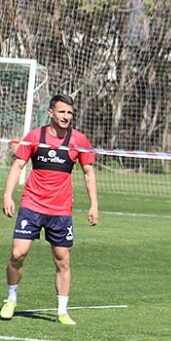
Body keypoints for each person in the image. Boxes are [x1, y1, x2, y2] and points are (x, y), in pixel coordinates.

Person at [0, 94, 99, 326]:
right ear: (51, 113)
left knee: (62, 260)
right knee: (17, 254)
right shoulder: (35, 136)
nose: (66, 117)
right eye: (62, 112)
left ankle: (62, 311)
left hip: (61, 211)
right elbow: (18, 166)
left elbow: (88, 173)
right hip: (32, 206)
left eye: (70, 113)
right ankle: (11, 299)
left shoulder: (79, 140)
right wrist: (7, 195)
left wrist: (94, 204)